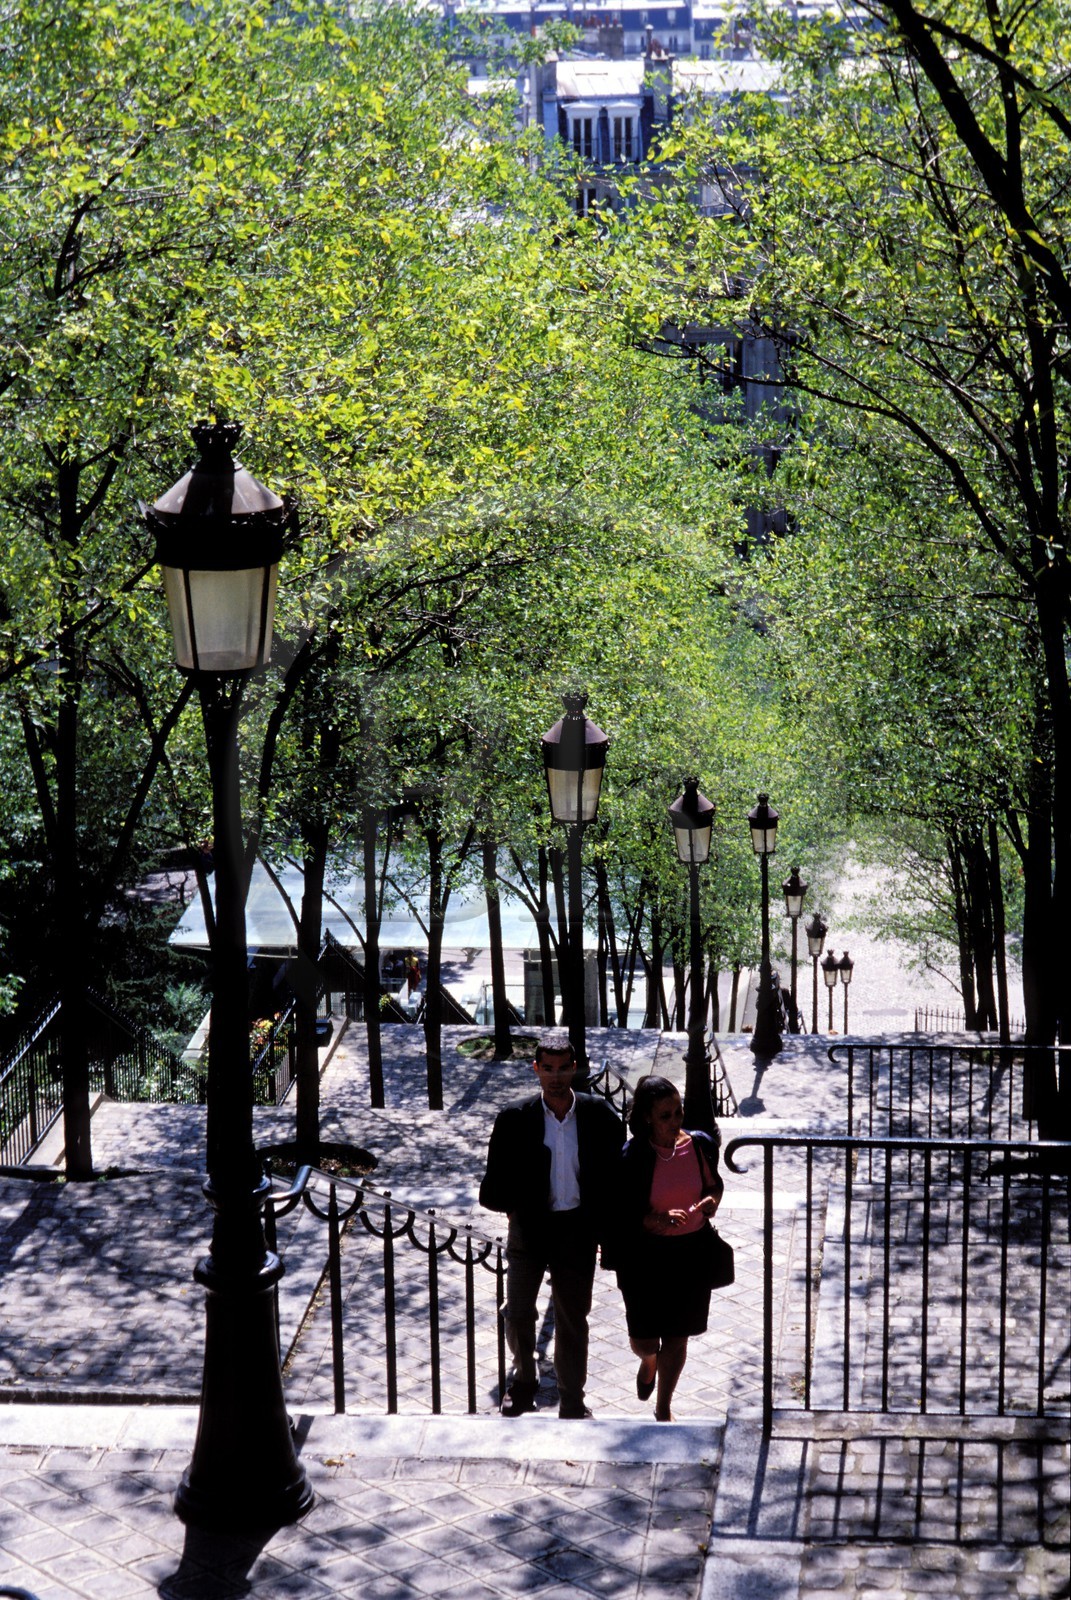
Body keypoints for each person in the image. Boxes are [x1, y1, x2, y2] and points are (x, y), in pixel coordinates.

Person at [479, 1038, 624, 1418]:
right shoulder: (515, 1117)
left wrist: (602, 1231)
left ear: (574, 1068)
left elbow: (614, 1180)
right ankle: (524, 1381)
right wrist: (515, 1208)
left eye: (563, 1069)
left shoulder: (600, 1116)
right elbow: (494, 1181)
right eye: (548, 1069)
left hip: (576, 1230)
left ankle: (571, 1398)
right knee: (517, 1312)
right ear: (536, 1069)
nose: (556, 1077)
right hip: (529, 1228)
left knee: (572, 1318)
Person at [615, 1074, 725, 1422]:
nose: (675, 1120)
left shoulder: (699, 1144)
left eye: (678, 1112)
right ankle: (649, 1360)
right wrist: (655, 1219)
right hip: (644, 1259)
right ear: (647, 1117)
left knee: (678, 1337)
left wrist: (711, 1201)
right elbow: (619, 1210)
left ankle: (663, 1408)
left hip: (691, 1254)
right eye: (666, 1115)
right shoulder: (633, 1155)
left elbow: (714, 1185)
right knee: (645, 1340)